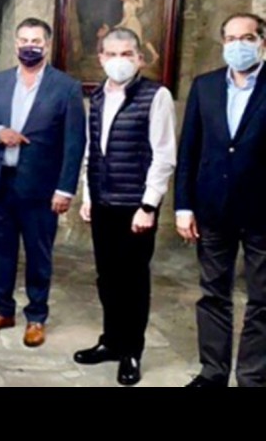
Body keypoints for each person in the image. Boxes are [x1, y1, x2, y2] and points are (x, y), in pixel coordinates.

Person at [0, 17, 85, 347]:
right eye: (23, 40)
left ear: (47, 45)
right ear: (16, 43)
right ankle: (1, 310)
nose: (29, 46)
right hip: (2, 183)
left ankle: (36, 317)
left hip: (41, 189)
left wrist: (65, 189)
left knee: (38, 255)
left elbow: (74, 143)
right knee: (0, 252)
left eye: (36, 41)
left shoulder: (66, 87)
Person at [75, 27, 176, 386]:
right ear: (101, 58)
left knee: (133, 281)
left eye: (126, 54)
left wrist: (149, 205)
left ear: (139, 58)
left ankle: (131, 350)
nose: (119, 61)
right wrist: (88, 197)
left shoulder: (156, 95)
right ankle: (111, 341)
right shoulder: (97, 97)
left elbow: (164, 155)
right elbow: (92, 151)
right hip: (103, 200)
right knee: (107, 278)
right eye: (112, 54)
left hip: (136, 205)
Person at [175, 12, 266, 387]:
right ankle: (213, 372)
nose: (237, 45)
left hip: (262, 212)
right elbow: (189, 150)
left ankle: (253, 377)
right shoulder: (206, 86)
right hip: (212, 208)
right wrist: (183, 206)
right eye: (230, 38)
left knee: (262, 300)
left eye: (247, 38)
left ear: (262, 42)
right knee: (213, 294)